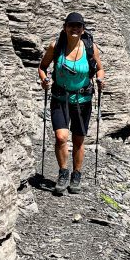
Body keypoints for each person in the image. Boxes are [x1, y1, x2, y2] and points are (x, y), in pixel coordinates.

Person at [38, 12, 105, 196]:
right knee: (61, 137)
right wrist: (44, 80)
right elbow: (42, 67)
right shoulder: (56, 46)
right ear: (65, 27)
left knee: (78, 140)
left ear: (83, 29)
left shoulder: (91, 48)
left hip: (83, 100)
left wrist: (100, 79)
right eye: (71, 25)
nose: (75, 29)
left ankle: (76, 176)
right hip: (60, 98)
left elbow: (100, 69)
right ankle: (63, 173)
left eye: (78, 26)